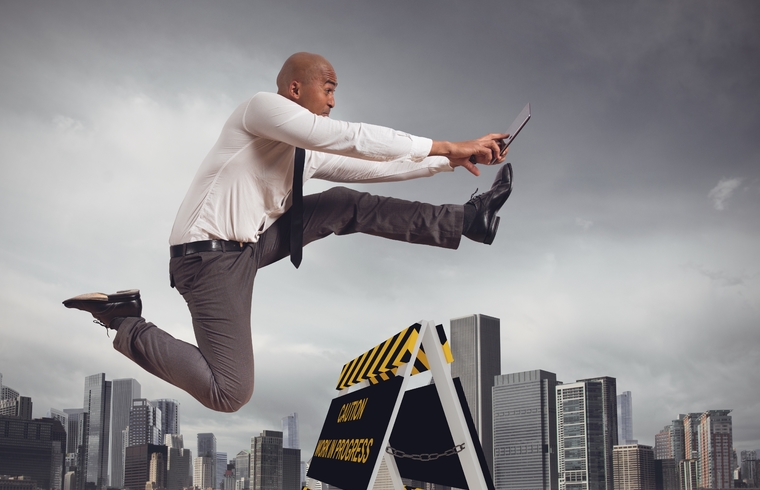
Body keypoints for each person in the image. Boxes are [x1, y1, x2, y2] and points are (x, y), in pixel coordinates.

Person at [64, 52, 514, 413]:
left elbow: (374, 166)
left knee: (344, 202)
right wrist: (447, 144)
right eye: (329, 88)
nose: (334, 100)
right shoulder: (259, 109)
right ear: (295, 88)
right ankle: (124, 320)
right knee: (231, 393)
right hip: (205, 260)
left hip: (246, 250)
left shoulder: (303, 153)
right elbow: (350, 138)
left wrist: (448, 162)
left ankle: (467, 220)